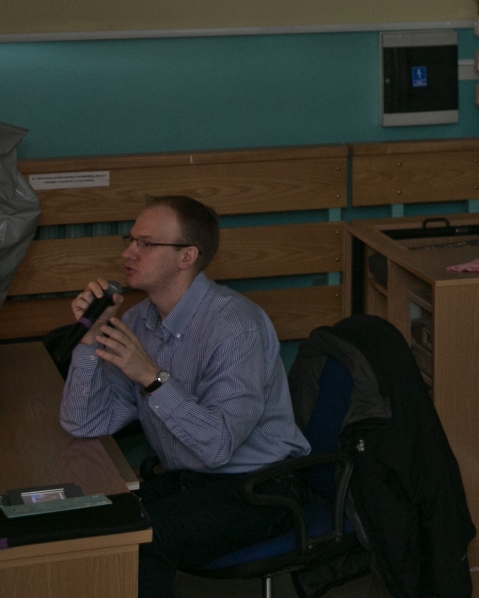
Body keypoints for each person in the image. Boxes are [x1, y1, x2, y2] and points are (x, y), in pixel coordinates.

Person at [60, 195, 310, 598]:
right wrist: (89, 341)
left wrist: (152, 377)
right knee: (94, 521)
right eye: (130, 240)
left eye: (145, 243)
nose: (128, 253)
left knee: (142, 542)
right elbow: (84, 422)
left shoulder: (236, 326)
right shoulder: (138, 321)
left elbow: (218, 446)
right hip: (190, 482)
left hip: (259, 488)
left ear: (186, 256)